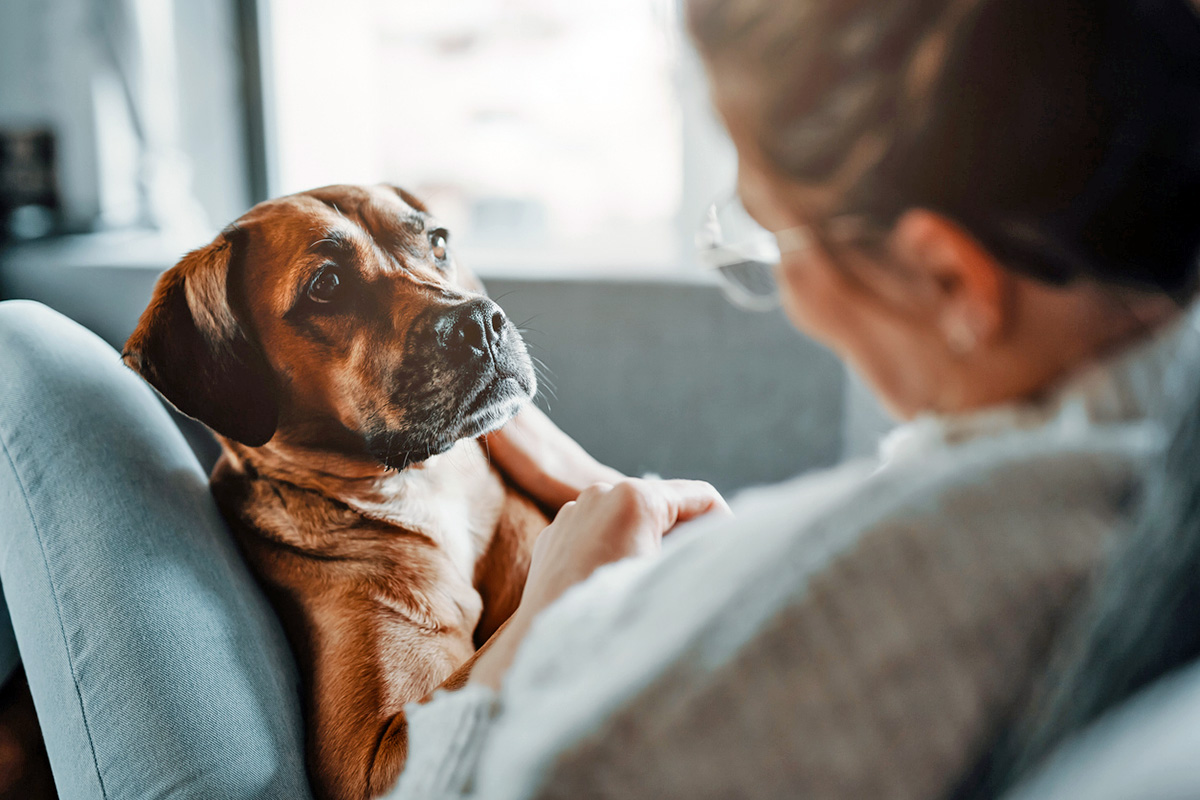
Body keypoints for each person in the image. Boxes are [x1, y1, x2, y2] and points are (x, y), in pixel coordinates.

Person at [386, 0, 1200, 798]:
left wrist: (552, 617)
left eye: (772, 235)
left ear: (950, 281)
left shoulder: (904, 580)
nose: (794, 300)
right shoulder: (1141, 440)